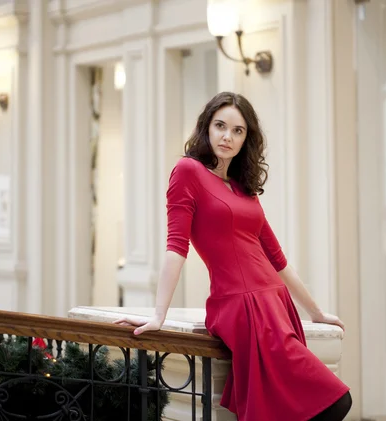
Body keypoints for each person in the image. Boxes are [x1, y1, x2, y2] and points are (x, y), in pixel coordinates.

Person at [113, 92, 351, 421]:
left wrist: (316, 311)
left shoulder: (242, 187)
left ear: (246, 139)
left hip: (275, 303)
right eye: (220, 126)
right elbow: (176, 247)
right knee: (336, 401)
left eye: (238, 131)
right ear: (206, 128)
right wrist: (158, 316)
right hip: (241, 305)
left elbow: (277, 258)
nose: (227, 136)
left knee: (292, 406)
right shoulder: (187, 172)